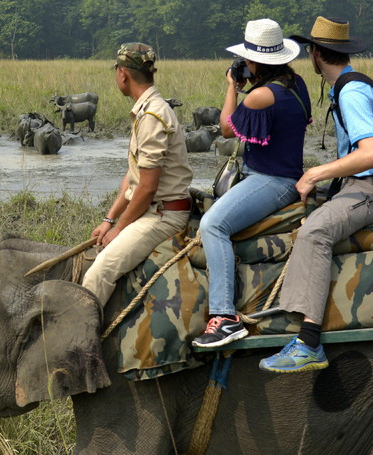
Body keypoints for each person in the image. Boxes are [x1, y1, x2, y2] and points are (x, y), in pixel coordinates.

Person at [258, 16, 373, 372]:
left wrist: (316, 173)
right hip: (362, 184)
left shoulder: (351, 91)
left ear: (315, 53)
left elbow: (370, 154)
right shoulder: (344, 85)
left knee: (315, 232)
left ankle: (309, 341)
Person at [192, 18, 311, 349]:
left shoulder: (261, 96)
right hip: (283, 173)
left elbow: (228, 128)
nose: (243, 64)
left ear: (256, 61)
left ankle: (225, 317)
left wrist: (232, 86)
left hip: (273, 180)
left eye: (246, 59)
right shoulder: (295, 83)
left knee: (213, 224)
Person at [81, 43, 194, 306]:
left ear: (123, 74)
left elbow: (147, 188)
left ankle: (84, 344)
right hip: (151, 209)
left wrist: (119, 228)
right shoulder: (146, 109)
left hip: (163, 214)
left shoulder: (153, 114)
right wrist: (109, 220)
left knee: (99, 272)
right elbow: (132, 178)